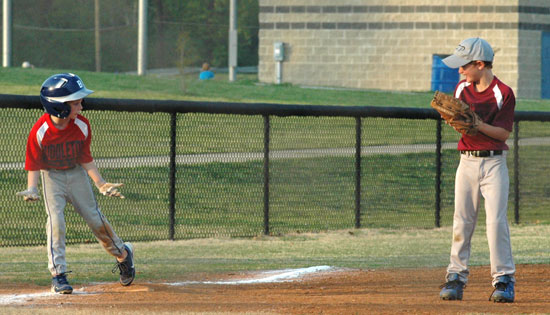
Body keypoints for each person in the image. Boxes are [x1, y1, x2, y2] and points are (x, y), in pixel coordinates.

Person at [16, 73, 136, 294]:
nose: (81, 106)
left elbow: (85, 157)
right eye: (75, 102)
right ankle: (58, 274)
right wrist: (32, 188)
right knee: (56, 223)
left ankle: (123, 254)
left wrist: (100, 184)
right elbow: (33, 162)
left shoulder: (82, 125)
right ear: (58, 106)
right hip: (51, 176)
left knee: (94, 219)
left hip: (76, 174)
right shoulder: (40, 131)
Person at [438, 38, 516, 303]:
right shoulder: (462, 89)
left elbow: (503, 133)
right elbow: (462, 125)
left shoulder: (502, 92)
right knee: (462, 221)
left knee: (495, 223)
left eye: (464, 66)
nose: (460, 71)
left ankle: (504, 280)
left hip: (494, 164)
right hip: (467, 162)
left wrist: (477, 124)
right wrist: (460, 124)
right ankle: (455, 277)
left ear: (480, 64)